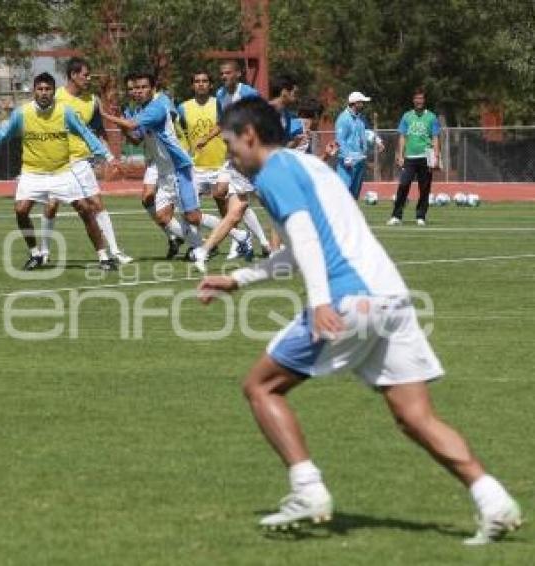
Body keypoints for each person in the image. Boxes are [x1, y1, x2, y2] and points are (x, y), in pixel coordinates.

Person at [196, 97, 521, 544]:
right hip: (392, 298)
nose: (231, 156)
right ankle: (494, 501)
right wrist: (240, 279)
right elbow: (299, 247)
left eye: (231, 146)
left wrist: (321, 301)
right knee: (415, 417)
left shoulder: (273, 173)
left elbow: (307, 238)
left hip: (349, 299)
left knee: (260, 386)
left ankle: (307, 490)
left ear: (250, 135)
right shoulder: (308, 167)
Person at [0, 72, 116, 271]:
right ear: (34, 91)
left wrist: (109, 156)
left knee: (86, 210)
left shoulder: (65, 112)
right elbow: (3, 134)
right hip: (32, 173)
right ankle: (36, 254)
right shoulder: (22, 113)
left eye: (48, 89)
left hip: (61, 172)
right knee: (21, 210)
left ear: (54, 92)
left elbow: (86, 133)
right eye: (40, 89)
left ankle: (104, 257)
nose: (44, 93)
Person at [101, 71, 204, 256]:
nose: (138, 91)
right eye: (135, 88)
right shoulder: (141, 111)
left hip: (179, 169)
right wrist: (122, 124)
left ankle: (233, 235)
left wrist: (105, 114)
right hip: (164, 172)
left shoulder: (158, 106)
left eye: (143, 87)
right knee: (163, 216)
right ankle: (200, 246)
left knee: (192, 216)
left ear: (152, 88)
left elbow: (133, 125)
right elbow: (135, 138)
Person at [41, 58, 132, 265]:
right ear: (73, 75)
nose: (88, 79)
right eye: (85, 74)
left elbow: (98, 133)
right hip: (57, 162)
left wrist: (109, 156)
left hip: (81, 162)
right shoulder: (55, 97)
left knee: (97, 204)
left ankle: (115, 252)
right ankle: (44, 253)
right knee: (52, 205)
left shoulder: (92, 101)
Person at [178, 70, 253, 260]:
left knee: (230, 207)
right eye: (197, 81)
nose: (201, 84)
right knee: (187, 211)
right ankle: (202, 245)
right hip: (195, 167)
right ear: (192, 85)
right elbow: (182, 134)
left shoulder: (220, 102)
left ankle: (238, 243)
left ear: (211, 85)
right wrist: (186, 154)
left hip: (221, 165)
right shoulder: (183, 108)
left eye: (205, 81)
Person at [388, 88, 442, 226]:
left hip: (426, 156)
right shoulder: (406, 116)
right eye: (417, 98)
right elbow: (402, 136)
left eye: (421, 98)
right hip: (410, 157)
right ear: (413, 100)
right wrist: (400, 155)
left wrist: (436, 156)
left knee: (424, 188)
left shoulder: (431, 117)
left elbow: (435, 137)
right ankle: (396, 216)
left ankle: (421, 216)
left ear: (424, 100)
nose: (419, 101)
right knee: (403, 184)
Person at [334, 91, 384, 199]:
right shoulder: (343, 118)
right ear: (355, 103)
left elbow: (365, 133)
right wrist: (347, 156)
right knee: (344, 193)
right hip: (347, 162)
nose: (363, 104)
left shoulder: (360, 119)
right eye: (361, 102)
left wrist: (378, 141)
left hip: (360, 160)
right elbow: (340, 139)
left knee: (354, 195)